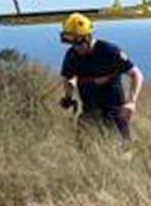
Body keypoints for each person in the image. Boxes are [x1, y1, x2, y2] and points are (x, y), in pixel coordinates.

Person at [58, 12, 142, 141]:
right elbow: (67, 78)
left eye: (79, 43)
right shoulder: (71, 55)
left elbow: (136, 74)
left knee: (123, 152)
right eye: (71, 42)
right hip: (89, 111)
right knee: (85, 151)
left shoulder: (109, 51)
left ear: (88, 37)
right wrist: (68, 96)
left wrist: (131, 102)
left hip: (114, 111)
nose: (76, 47)